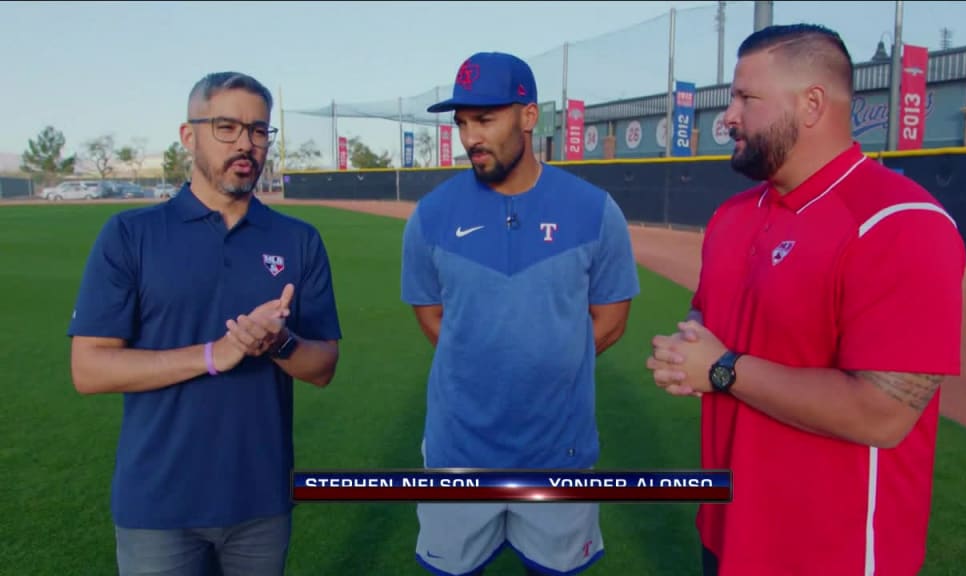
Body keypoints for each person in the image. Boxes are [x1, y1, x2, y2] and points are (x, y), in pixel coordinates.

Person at [646, 24, 965, 576]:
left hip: (829, 555)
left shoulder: (900, 222)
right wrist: (689, 343)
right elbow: (709, 315)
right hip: (725, 531)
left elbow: (882, 414)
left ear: (812, 104)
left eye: (747, 98)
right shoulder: (733, 215)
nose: (729, 117)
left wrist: (721, 369)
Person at [68, 71, 342, 575]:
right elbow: (89, 369)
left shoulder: (298, 240)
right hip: (158, 504)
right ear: (188, 136)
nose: (246, 144)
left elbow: (323, 365)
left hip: (260, 501)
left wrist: (280, 343)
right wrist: (216, 353)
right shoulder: (131, 235)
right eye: (226, 127)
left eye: (259, 131)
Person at [401, 51, 640, 576]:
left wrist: (550, 359)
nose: (469, 137)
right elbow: (431, 316)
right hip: (458, 451)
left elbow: (611, 318)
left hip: (559, 452)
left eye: (485, 119)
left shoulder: (594, 210)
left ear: (529, 116)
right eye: (462, 122)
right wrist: (485, 362)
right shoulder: (431, 216)